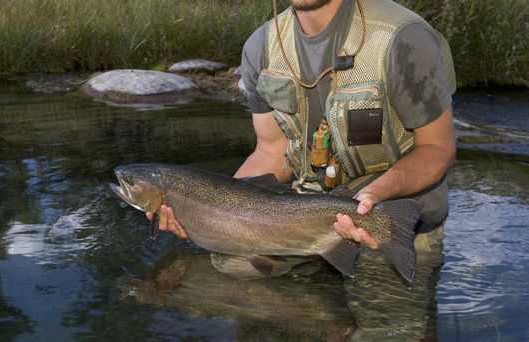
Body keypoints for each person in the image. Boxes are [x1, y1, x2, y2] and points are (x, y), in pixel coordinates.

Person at [149, 0, 456, 256]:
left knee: (381, 317)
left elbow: (438, 149)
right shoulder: (261, 47)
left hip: (394, 216)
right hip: (298, 217)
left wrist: (373, 196)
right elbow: (271, 152)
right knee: (231, 274)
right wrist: (211, 212)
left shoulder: (402, 37)